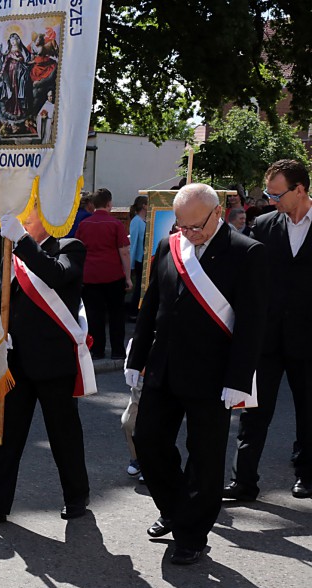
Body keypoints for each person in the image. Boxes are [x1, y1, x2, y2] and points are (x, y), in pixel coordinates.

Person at [126, 183, 266, 565]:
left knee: (204, 459)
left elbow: (252, 324)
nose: (188, 234)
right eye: (181, 226)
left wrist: (239, 380)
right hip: (164, 367)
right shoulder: (169, 248)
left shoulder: (246, 252)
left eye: (196, 227)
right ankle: (174, 508)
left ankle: (192, 535)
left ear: (217, 213)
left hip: (214, 375)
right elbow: (151, 307)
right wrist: (135, 360)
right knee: (148, 441)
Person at [0, 208, 92, 525]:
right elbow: (1, 299)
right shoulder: (12, 251)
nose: (24, 220)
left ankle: (76, 495)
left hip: (53, 361)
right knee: (3, 434)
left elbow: (55, 274)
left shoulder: (70, 246)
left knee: (63, 434)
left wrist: (23, 240)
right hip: (14, 358)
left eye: (30, 215)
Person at [224, 159, 312, 502]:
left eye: (276, 194)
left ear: (300, 189)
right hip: (267, 336)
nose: (270, 200)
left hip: (308, 337)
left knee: (308, 411)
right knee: (254, 413)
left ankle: (305, 473)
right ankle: (243, 480)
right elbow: (244, 273)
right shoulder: (262, 224)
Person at [75, 187, 132, 359]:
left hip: (90, 275)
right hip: (113, 274)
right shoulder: (116, 224)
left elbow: (78, 249)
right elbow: (124, 251)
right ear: (109, 204)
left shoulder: (84, 224)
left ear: (93, 204)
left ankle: (97, 350)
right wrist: (128, 277)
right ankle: (117, 351)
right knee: (116, 314)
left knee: (94, 314)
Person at [127, 195, 149, 321]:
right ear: (144, 206)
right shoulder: (137, 221)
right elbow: (134, 243)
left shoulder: (142, 221)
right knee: (139, 287)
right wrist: (131, 264)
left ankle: (137, 311)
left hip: (143, 258)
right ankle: (133, 311)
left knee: (141, 286)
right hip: (139, 259)